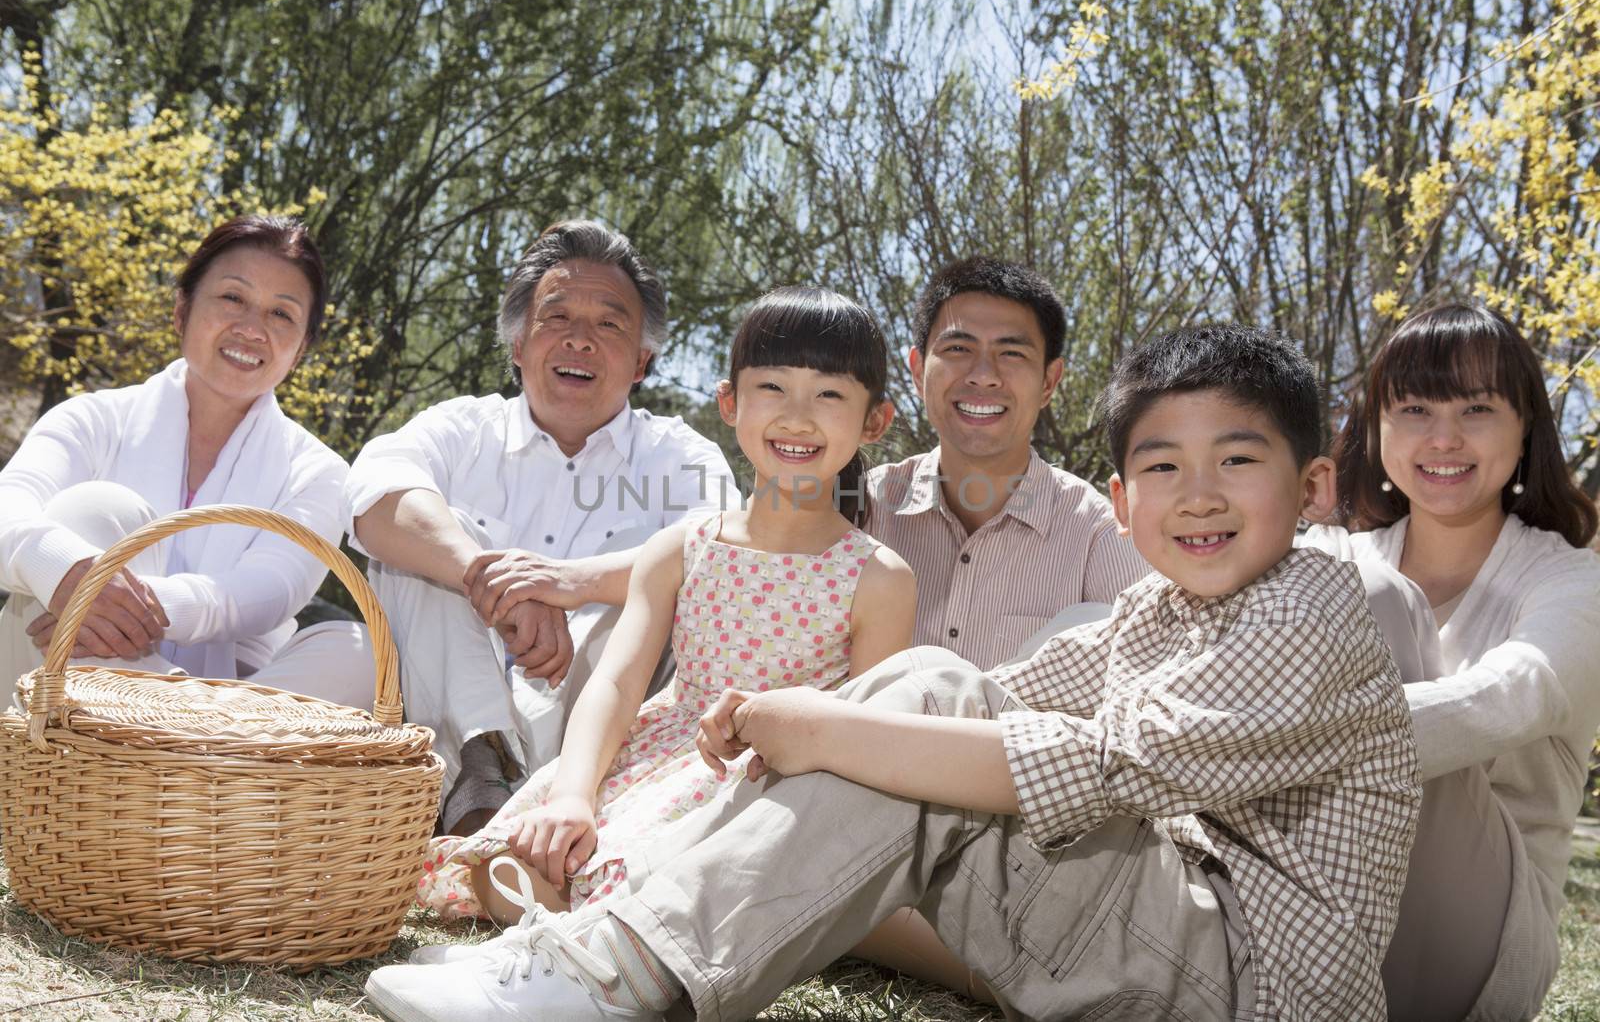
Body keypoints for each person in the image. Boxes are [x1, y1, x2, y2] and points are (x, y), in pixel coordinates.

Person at [363, 323, 1422, 1022]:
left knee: (909, 707)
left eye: (1236, 460)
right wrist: (793, 711)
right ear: (1122, 493)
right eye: (1161, 467)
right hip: (1153, 932)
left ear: (1316, 484)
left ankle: (611, 975)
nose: (1197, 495)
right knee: (929, 685)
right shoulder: (1160, 608)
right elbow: (992, 697)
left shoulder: (1310, 603)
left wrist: (818, 728)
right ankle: (611, 957)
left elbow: (1095, 765)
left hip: (1245, 981)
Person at [409, 286, 915, 925]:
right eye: (773, 388)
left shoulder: (878, 577)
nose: (797, 416)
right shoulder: (681, 549)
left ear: (874, 421)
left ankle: (664, 915)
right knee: (512, 868)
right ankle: (619, 900)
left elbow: (865, 741)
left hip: (771, 784)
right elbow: (618, 684)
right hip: (652, 759)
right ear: (729, 403)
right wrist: (572, 794)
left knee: (632, 883)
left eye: (830, 394)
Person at [346, 220, 737, 836]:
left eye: (609, 324)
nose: (580, 340)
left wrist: (568, 582)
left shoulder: (678, 455)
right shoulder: (463, 428)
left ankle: (565, 799)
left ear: (642, 361)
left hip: (598, 730)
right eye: (555, 318)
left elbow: (717, 551)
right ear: (517, 346)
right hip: (452, 715)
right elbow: (373, 495)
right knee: (430, 546)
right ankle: (481, 787)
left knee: (652, 572)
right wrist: (489, 577)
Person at [1302, 302, 1600, 1021]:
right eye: (1413, 408)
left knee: (1370, 601)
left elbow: (1509, 697)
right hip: (1314, 903)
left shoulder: (1573, 581)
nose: (1444, 437)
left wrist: (1270, 739)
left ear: (1524, 424)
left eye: (1477, 407)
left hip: (1480, 936)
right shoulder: (1330, 553)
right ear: (1376, 425)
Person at [0, 215, 370, 708]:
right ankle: (181, 731)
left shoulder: (319, 472)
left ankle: (178, 724)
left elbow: (266, 593)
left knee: (358, 652)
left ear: (300, 350)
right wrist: (66, 572)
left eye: (281, 314)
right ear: (181, 311)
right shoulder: (92, 418)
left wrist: (122, 607)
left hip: (224, 710)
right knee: (93, 509)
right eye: (233, 298)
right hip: (50, 694)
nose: (253, 328)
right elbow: (9, 508)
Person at [864, 256, 1148, 670]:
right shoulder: (861, 508)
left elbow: (1140, 680)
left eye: (1012, 353)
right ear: (918, 369)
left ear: (1049, 382)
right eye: (958, 348)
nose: (984, 375)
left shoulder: (1096, 535)